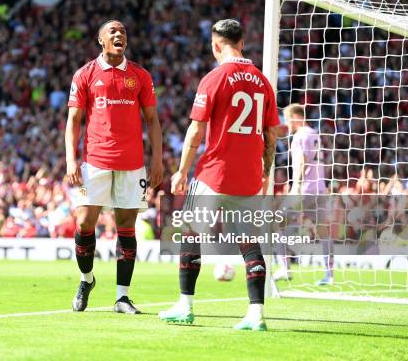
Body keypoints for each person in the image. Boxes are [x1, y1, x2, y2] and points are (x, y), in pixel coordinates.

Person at [158, 19, 279, 330]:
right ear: (242, 42)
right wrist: (265, 169)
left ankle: (185, 305)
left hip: (215, 173)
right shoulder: (263, 82)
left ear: (215, 45)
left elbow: (196, 130)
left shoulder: (214, 78)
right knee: (249, 242)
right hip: (249, 175)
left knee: (190, 233)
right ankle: (256, 315)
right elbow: (271, 133)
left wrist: (182, 171)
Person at [66, 19, 163, 313]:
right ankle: (87, 279)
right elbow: (74, 120)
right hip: (95, 161)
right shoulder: (85, 74)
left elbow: (153, 120)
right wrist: (71, 159)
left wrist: (157, 158)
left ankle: (122, 297)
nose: (119, 34)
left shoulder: (140, 76)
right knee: (84, 223)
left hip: (132, 164)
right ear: (101, 40)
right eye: (113, 31)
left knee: (126, 227)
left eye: (123, 31)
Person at [274, 104, 332, 285]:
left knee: (277, 224)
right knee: (323, 231)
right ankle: (329, 274)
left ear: (297, 117)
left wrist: (296, 185)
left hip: (304, 189)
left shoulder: (299, 136)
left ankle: (284, 268)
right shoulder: (315, 134)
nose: (286, 123)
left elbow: (301, 160)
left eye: (287, 118)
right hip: (319, 189)